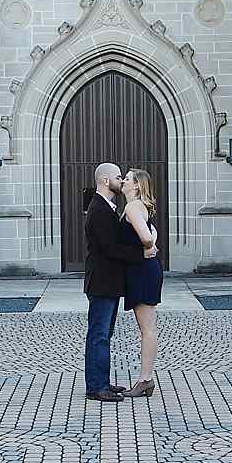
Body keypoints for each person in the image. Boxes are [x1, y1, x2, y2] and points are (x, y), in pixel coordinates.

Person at [81, 161, 155, 402]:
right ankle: (96, 387)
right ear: (105, 181)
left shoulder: (108, 207)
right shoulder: (99, 209)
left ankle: (102, 382)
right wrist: (141, 254)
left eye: (125, 178)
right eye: (118, 177)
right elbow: (109, 248)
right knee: (99, 334)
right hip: (102, 282)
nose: (121, 180)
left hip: (109, 282)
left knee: (105, 333)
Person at [117, 169, 162, 398]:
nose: (123, 181)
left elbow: (146, 236)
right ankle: (145, 379)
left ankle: (145, 380)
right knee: (148, 328)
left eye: (127, 178)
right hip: (144, 270)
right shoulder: (141, 207)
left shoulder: (134, 207)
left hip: (143, 271)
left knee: (147, 329)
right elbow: (151, 233)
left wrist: (149, 247)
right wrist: (150, 243)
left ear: (136, 186)